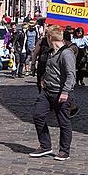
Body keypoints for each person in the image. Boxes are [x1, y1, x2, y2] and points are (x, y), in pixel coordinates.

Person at [29, 25, 75, 162]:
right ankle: (45, 146)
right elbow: (51, 69)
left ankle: (64, 151)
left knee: (63, 122)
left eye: (46, 37)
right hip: (47, 91)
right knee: (38, 114)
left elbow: (71, 75)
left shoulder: (66, 53)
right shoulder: (51, 52)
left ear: (50, 38)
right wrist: (43, 79)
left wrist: (65, 92)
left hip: (61, 93)